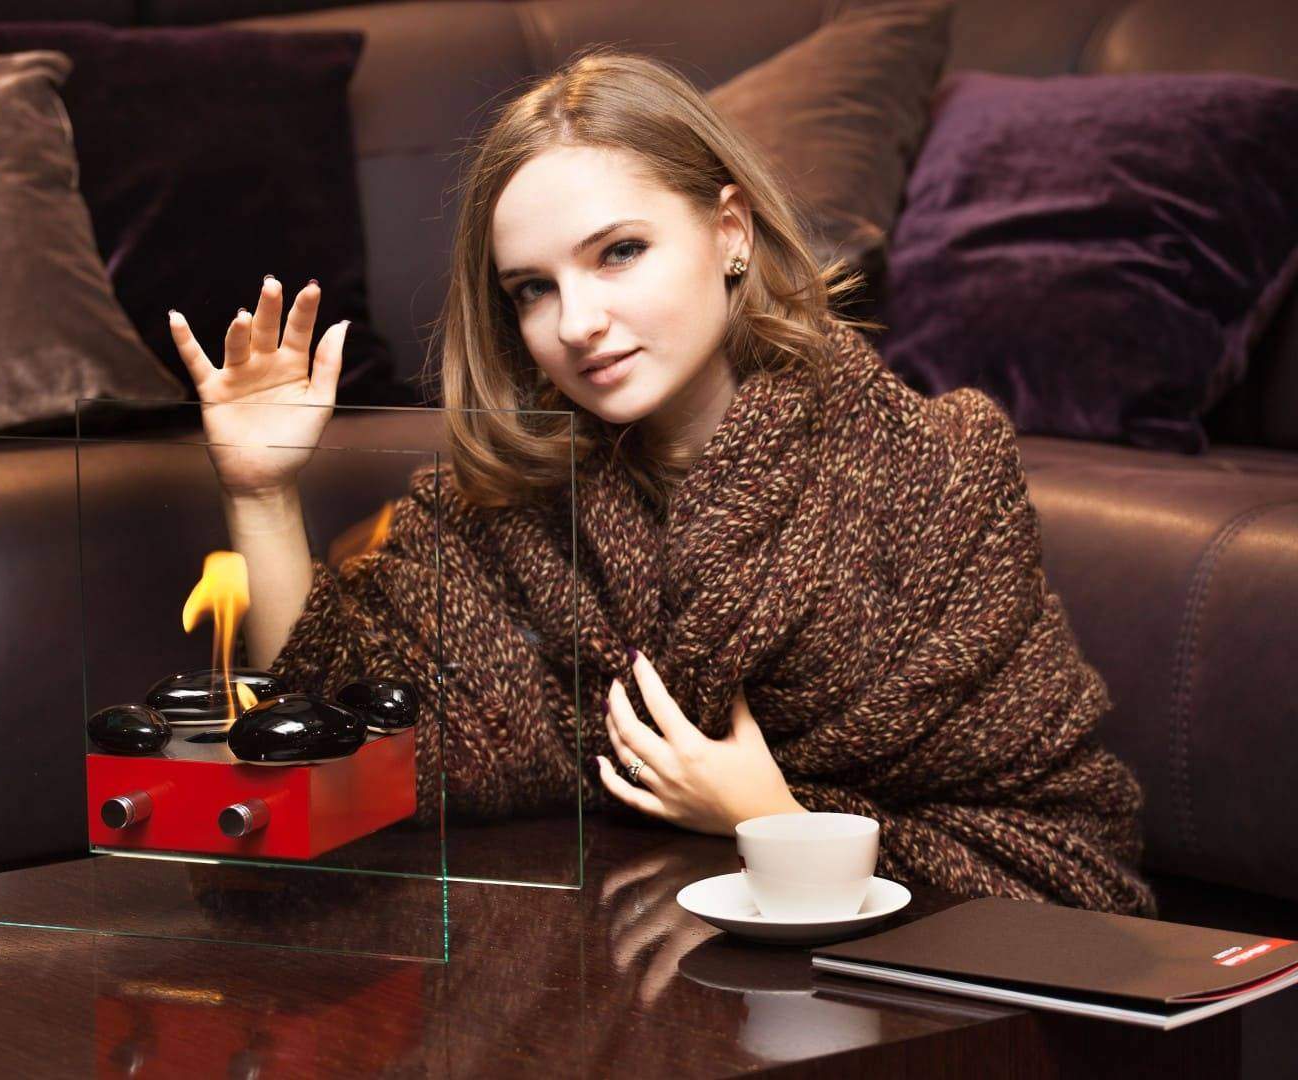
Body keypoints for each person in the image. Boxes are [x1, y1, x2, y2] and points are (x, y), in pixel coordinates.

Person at [166, 48, 1157, 916]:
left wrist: (770, 816)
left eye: (620, 253)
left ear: (730, 232)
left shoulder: (936, 471)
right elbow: (337, 739)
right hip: (635, 958)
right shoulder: (506, 512)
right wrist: (261, 491)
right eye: (533, 289)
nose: (578, 323)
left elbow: (1065, 864)